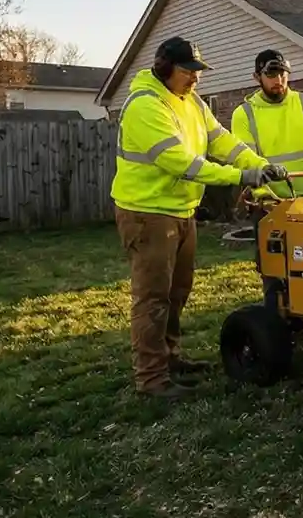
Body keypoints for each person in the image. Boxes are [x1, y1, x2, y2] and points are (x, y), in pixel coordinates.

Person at [111, 36, 289, 400]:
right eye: (187, 71)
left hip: (180, 211)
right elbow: (183, 164)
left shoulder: (190, 101)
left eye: (198, 71)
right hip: (148, 213)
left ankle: (170, 357)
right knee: (153, 298)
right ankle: (151, 378)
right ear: (165, 68)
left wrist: (259, 165)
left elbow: (223, 141)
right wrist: (242, 176)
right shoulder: (146, 105)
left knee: (177, 292)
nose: (195, 78)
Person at [230, 49, 303, 201]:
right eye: (271, 75)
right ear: (257, 77)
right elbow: (245, 159)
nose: (279, 80)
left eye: (283, 74)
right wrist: (264, 195)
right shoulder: (244, 114)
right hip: (269, 201)